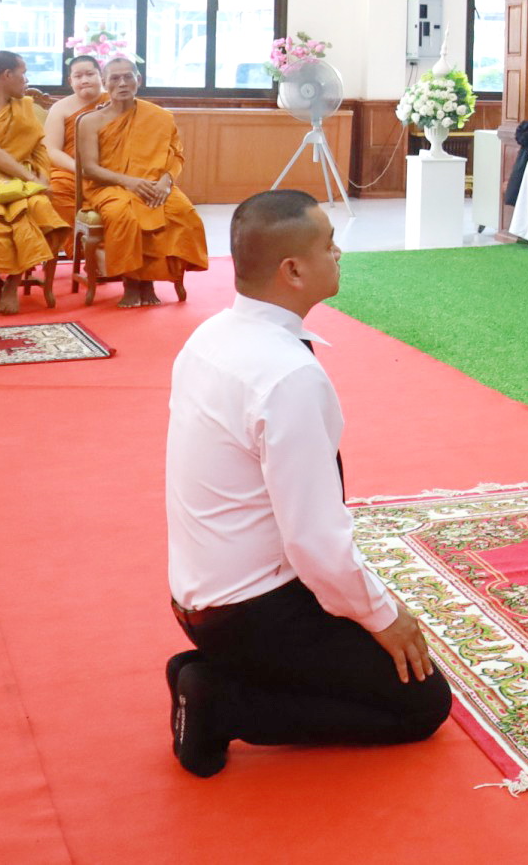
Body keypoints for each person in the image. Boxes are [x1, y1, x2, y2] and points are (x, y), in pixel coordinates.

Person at [165, 189, 449, 778]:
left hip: (197, 599)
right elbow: (314, 542)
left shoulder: (211, 337)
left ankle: (218, 670)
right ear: (292, 269)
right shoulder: (288, 374)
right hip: (253, 611)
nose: (339, 252)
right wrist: (382, 616)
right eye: (328, 244)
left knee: (363, 650)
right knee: (421, 703)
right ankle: (224, 701)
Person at [76, 57, 208, 307]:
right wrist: (130, 183)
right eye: (114, 78)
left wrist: (166, 183)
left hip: (155, 184)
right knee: (123, 213)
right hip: (109, 186)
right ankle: (132, 282)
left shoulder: (160, 117)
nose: (122, 83)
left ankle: (150, 281)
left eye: (128, 77)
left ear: (139, 80)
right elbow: (90, 169)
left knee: (181, 212)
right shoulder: (91, 121)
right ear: (105, 83)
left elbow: (176, 156)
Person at [0, 50, 69, 313]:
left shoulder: (24, 106)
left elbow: (38, 147)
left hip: (26, 180)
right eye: (23, 74)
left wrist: (42, 176)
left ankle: (14, 282)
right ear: (7, 75)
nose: (26, 81)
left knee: (40, 209)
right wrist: (30, 178)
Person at [44, 54, 106, 226]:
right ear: (70, 80)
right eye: (78, 76)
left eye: (90, 74)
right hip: (71, 172)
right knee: (55, 192)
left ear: (101, 76)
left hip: (109, 170)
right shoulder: (60, 108)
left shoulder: (115, 104)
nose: (84, 80)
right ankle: (79, 249)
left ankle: (110, 248)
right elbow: (52, 150)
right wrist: (80, 169)